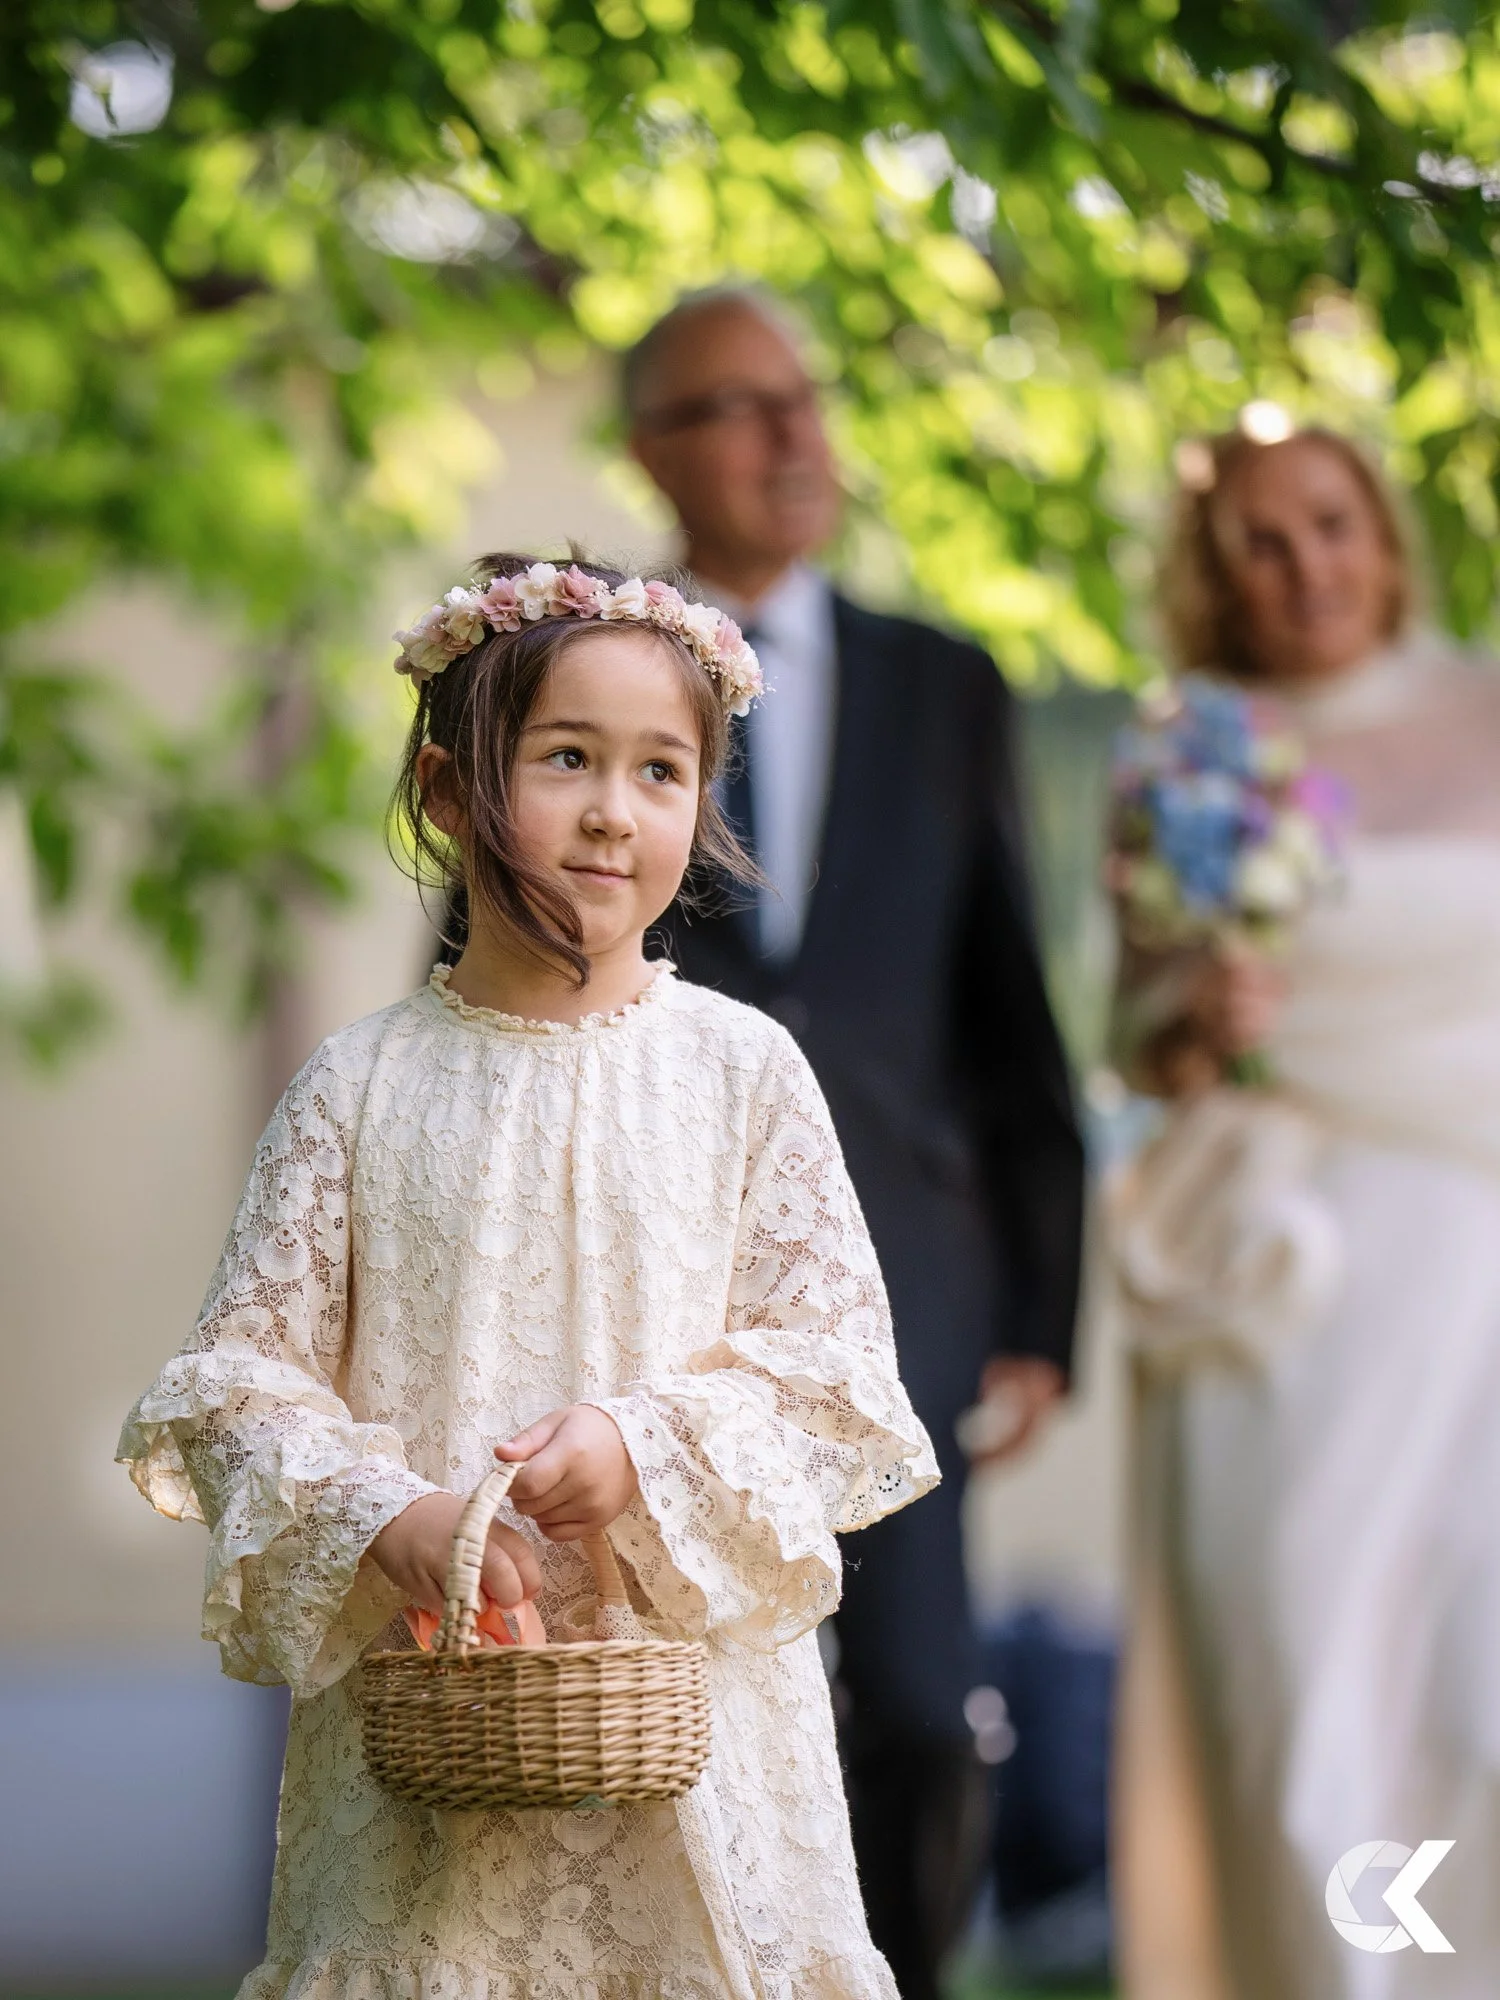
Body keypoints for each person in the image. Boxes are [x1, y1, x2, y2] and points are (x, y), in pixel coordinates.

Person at [117, 556, 940, 2000]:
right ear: (448, 791)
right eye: (567, 759)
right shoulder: (356, 1089)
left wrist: (644, 1443)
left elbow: (836, 1378)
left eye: (662, 771)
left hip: (700, 1739)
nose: (617, 811)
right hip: (429, 1753)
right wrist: (396, 1517)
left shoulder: (743, 1075)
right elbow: (237, 1392)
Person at [625, 288, 1085, 1997]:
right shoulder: (581, 667)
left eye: (803, 399)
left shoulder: (943, 682)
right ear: (651, 451)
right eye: (740, 407)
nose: (793, 437)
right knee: (668, 1722)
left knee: (914, 1709)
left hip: (905, 1293)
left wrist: (1045, 1310)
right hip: (645, 1284)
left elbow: (1007, 1012)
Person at [1109, 424, 1500, 1998]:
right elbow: (1129, 1036)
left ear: (1383, 531)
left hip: (1476, 1253)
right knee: (1296, 1691)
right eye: (1258, 542)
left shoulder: (1490, 706)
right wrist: (1199, 1011)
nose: (1305, 567)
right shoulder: (1182, 754)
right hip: (1281, 1271)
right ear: (1213, 573)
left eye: (1329, 523)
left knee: (1467, 1699)